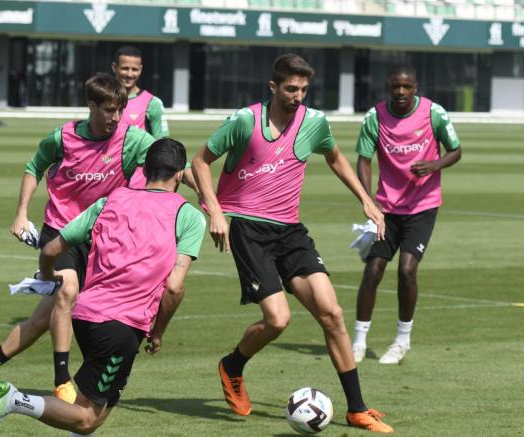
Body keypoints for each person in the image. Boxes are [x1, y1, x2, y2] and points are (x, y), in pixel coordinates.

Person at [191, 53, 393, 433]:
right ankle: (232, 366)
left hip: (290, 232)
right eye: (290, 88)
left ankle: (357, 409)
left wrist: (365, 198)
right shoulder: (244, 121)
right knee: (278, 320)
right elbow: (201, 162)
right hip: (249, 231)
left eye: (303, 89)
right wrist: (215, 211)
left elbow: (335, 158)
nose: (298, 95)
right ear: (273, 87)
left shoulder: (314, 122)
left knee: (332, 314)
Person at [0, 138, 206, 437]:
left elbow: (52, 248)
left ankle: (16, 401)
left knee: (86, 407)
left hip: (83, 315)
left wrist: (47, 276)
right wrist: (158, 332)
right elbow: (174, 287)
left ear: (145, 169)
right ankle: (14, 400)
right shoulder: (188, 217)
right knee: (87, 418)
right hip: (120, 327)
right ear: (179, 174)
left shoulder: (111, 200)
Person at [0, 73, 159, 407]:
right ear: (91, 106)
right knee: (68, 292)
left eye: (120, 110)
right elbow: (34, 167)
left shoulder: (132, 139)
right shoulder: (62, 137)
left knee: (38, 323)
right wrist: (21, 213)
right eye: (108, 110)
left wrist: (210, 202)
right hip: (60, 234)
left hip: (100, 241)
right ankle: (62, 380)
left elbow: (169, 160)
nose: (116, 117)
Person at [351, 65, 462, 365]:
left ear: (415, 87)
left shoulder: (433, 113)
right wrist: (367, 201)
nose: (400, 92)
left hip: (422, 207)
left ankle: (402, 340)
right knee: (373, 269)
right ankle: (358, 342)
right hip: (386, 208)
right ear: (389, 86)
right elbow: (363, 159)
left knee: (407, 270)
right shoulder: (375, 116)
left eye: (407, 86)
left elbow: (456, 150)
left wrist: (434, 165)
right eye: (395, 86)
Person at [112, 45, 169, 138]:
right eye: (125, 68)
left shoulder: (153, 103)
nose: (130, 74)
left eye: (134, 69)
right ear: (114, 67)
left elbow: (161, 144)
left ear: (140, 69)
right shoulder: (103, 99)